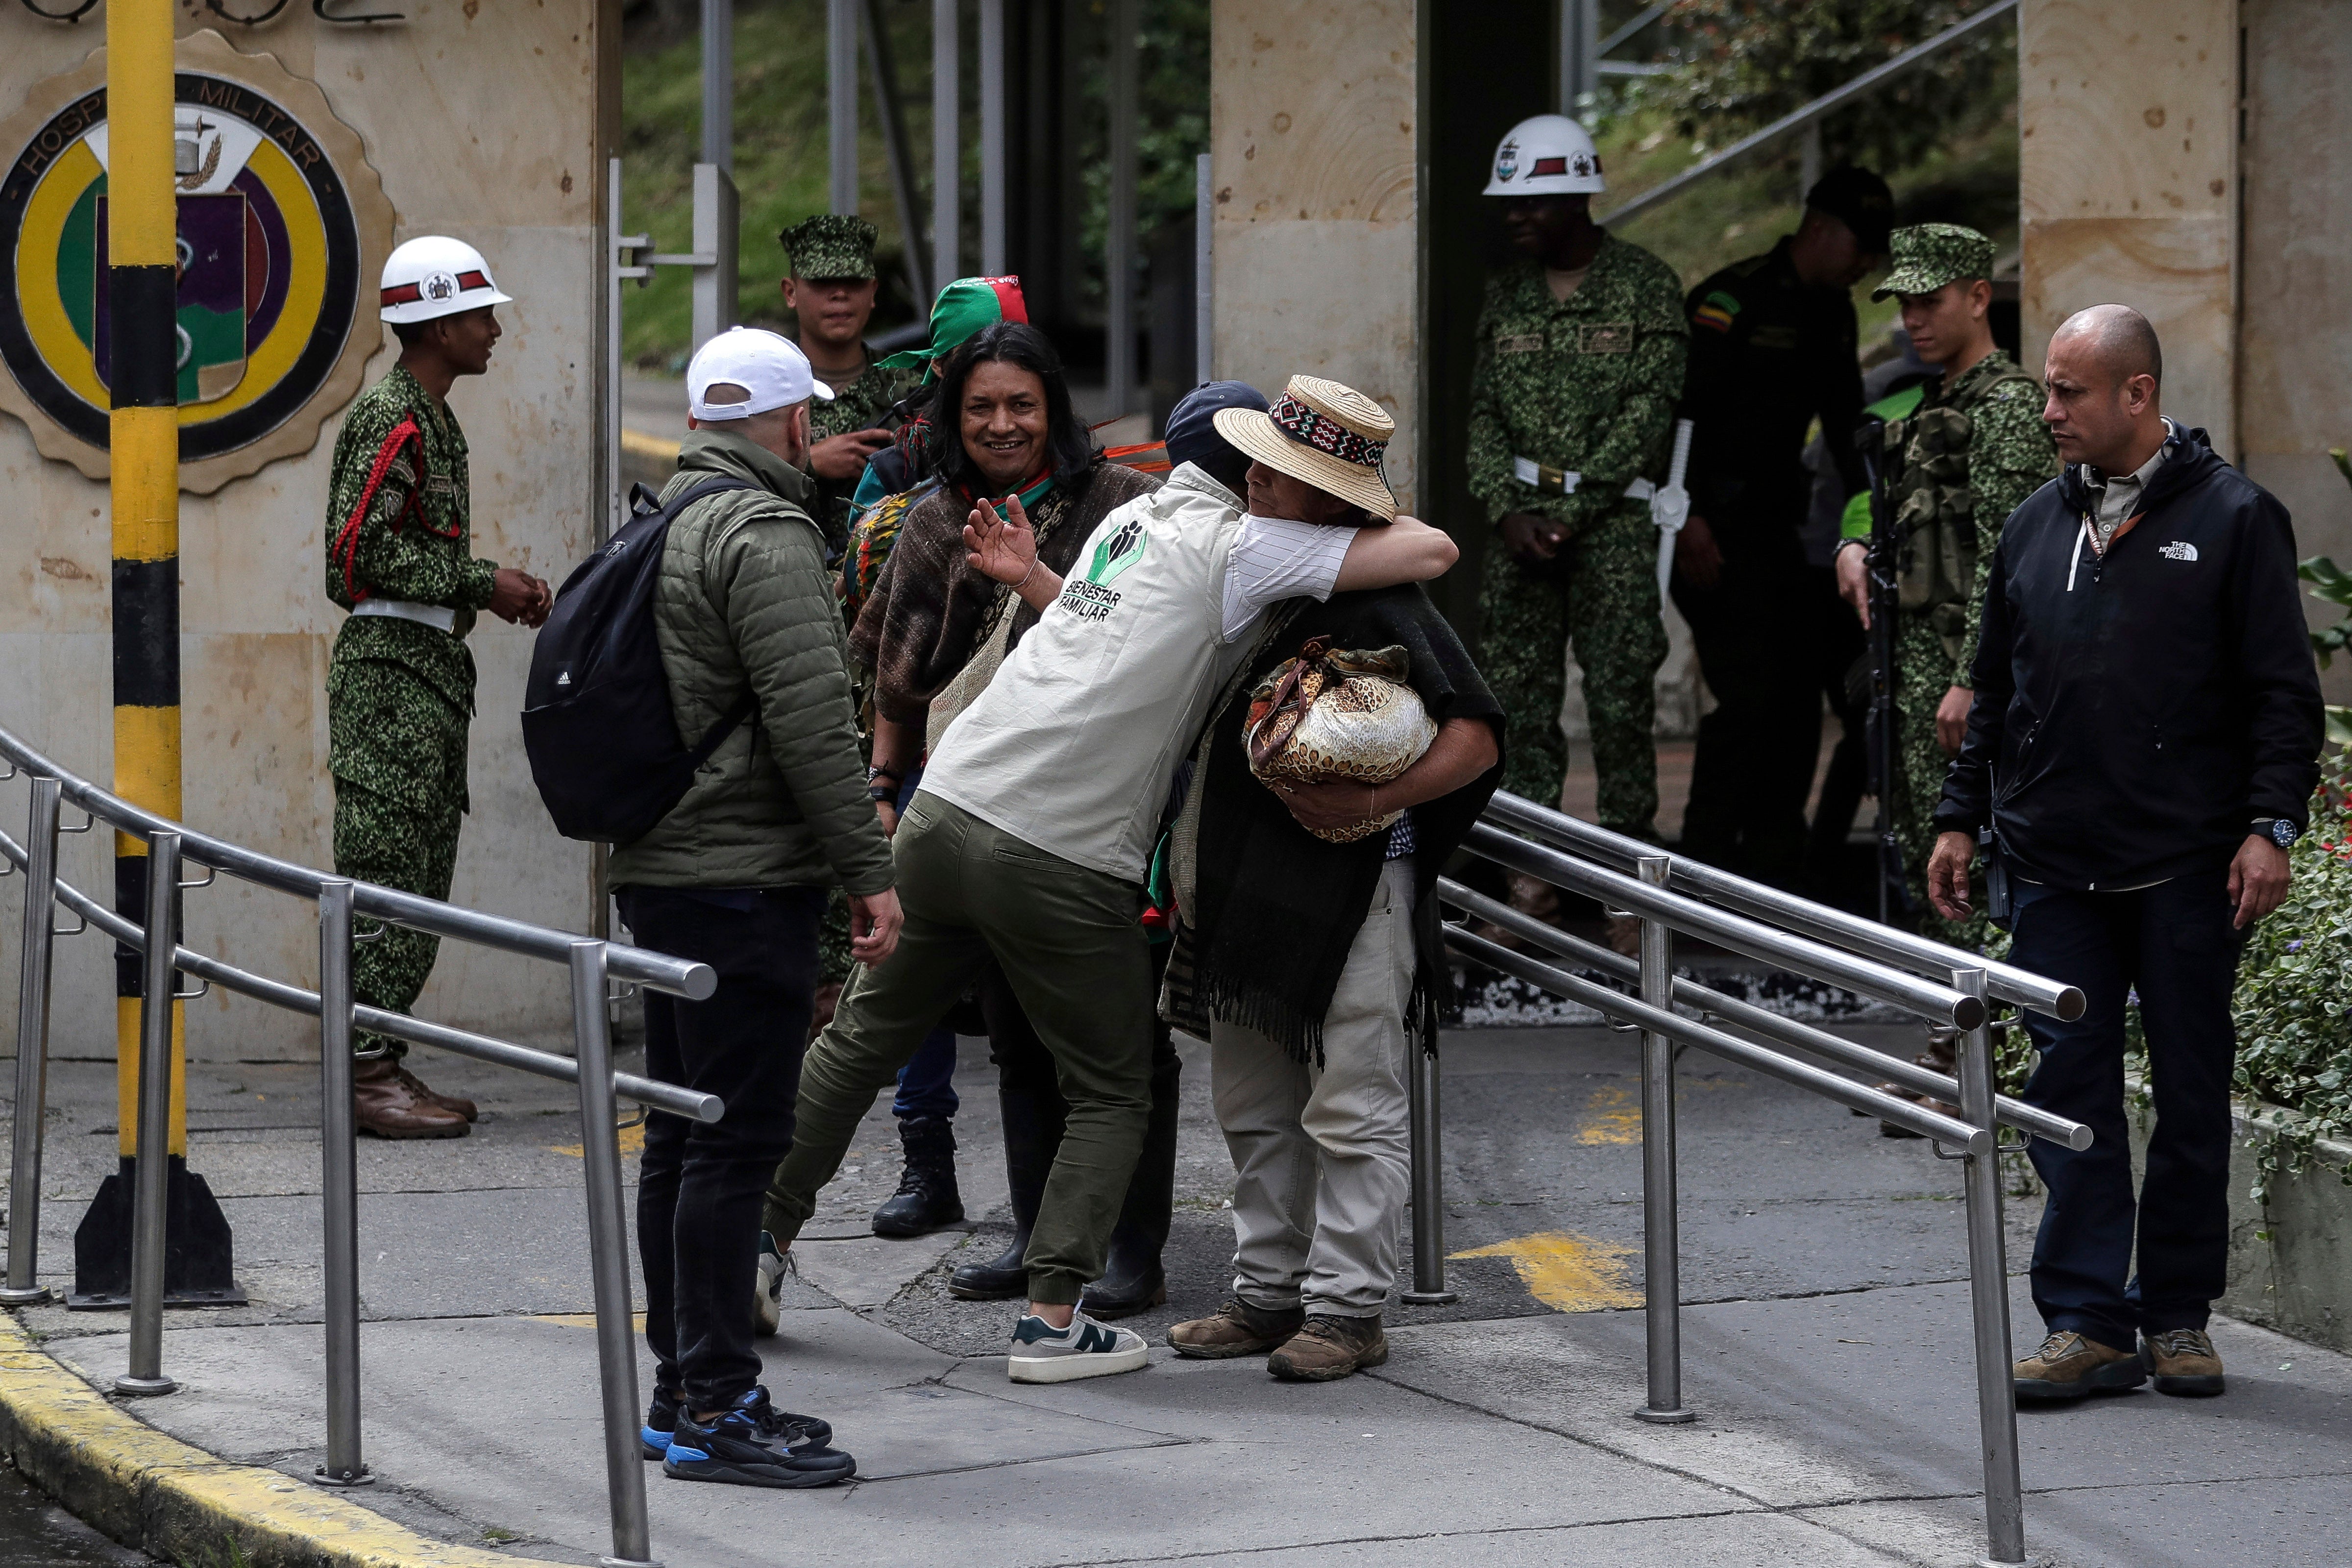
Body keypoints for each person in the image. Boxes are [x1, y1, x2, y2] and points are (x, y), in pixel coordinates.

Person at [760, 371, 1458, 1383]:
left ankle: (759, 1243)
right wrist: (1357, 511)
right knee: (1111, 1087)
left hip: (948, 805)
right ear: (1251, 481)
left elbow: (1100, 630)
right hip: (1058, 843)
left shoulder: (1124, 529)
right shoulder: (1241, 544)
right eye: (1267, 467)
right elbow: (1432, 548)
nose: (1272, 482)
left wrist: (1031, 577)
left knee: (862, 1040)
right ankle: (1052, 1323)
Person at [1927, 304, 2323, 1404]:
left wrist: (2269, 826)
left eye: (2070, 393)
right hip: (2056, 865)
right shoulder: (2032, 526)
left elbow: (2284, 696)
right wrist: (1961, 819)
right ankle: (2087, 1321)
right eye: (2050, 390)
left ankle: (2180, 1314)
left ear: (2137, 397)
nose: (2049, 412)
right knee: (2070, 1092)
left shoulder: (2239, 518)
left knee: (2192, 1089)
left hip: (2189, 866)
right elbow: (1994, 693)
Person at [1164, 383, 1503, 1382]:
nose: (1257, 481)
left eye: (1281, 472)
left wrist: (1381, 797)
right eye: (1260, 464)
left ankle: (1350, 1311)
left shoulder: (1385, 601)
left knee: (1351, 1109)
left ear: (1333, 502)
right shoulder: (1269, 584)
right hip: (1247, 895)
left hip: (1352, 900)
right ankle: (1266, 1294)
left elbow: (1477, 736)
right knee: (1253, 1105)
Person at [612, 327, 900, 1487]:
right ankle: (721, 1405)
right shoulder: (764, 534)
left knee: (682, 1141)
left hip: (663, 869)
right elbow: (813, 727)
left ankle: (682, 1391)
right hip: (741, 882)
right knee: (734, 1146)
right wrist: (868, 877)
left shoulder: (660, 520)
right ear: (795, 425)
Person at [324, 236, 550, 1140]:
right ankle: (365, 1074)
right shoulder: (393, 415)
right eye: (479, 315)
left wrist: (482, 590)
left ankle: (382, 1060)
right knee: (385, 874)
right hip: (390, 675)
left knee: (417, 874)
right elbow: (354, 559)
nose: (493, 331)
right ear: (437, 322)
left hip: (423, 671)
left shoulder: (431, 411)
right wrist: (481, 581)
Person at [1467, 113, 1686, 952]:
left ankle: (1632, 891)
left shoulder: (1645, 285)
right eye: (1510, 203)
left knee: (1622, 701)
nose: (1514, 216)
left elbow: (1649, 412)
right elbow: (1483, 415)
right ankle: (1532, 884)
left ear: (1578, 195)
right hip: (1520, 527)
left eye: (1532, 202)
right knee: (1517, 704)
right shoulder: (1506, 294)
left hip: (1615, 525)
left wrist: (1575, 507)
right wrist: (1505, 509)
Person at [1833, 224, 2058, 936]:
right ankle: (1946, 1031)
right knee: (1924, 861)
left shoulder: (2008, 408)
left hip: (1963, 679)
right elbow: (1907, 511)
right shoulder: (1933, 401)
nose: (1913, 320)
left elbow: (2010, 557)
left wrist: (1972, 682)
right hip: (1915, 668)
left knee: (1967, 864)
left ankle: (1978, 1035)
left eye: (1930, 301)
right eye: (1905, 304)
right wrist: (1854, 542)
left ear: (1979, 297)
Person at [1671, 167, 1890, 888]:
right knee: (1748, 698)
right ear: (1820, 228)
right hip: (1710, 532)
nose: (1866, 266)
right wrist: (1691, 516)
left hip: (1779, 536)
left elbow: (1842, 427)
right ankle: (1701, 865)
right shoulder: (1731, 300)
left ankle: (1776, 873)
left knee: (1795, 701)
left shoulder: (1834, 312)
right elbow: (1679, 421)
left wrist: (1874, 516)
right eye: (1861, 247)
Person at [776, 214, 921, 558]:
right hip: (786, 573)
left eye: (853, 282)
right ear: (791, 292)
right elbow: (725, 486)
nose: (839, 295)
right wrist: (808, 464)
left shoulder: (911, 388)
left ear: (872, 292)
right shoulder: (766, 387)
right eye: (823, 282)